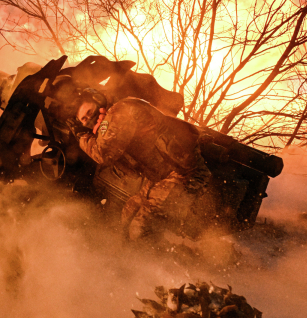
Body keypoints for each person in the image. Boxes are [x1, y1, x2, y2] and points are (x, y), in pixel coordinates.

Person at [68, 90, 213, 242]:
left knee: (140, 228)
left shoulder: (121, 111)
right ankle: (125, 256)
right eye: (84, 119)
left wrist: (81, 136)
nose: (89, 119)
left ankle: (155, 264)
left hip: (185, 175)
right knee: (128, 212)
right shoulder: (116, 111)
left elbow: (103, 154)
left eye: (90, 112)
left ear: (98, 100)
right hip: (163, 176)